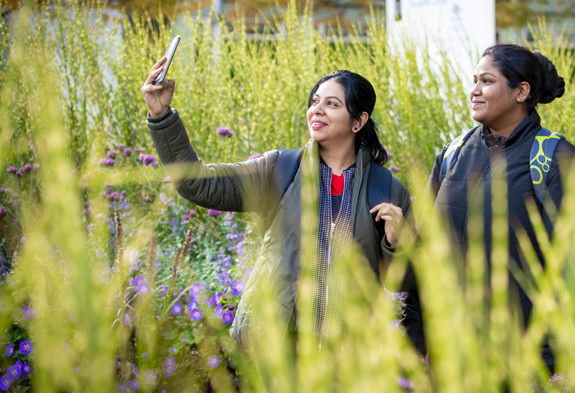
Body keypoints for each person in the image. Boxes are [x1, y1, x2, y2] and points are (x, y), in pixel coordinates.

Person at [141, 59, 423, 350]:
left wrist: (398, 243)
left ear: (359, 121)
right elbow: (197, 183)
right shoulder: (279, 169)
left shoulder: (387, 190)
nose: (317, 109)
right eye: (315, 101)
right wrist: (162, 116)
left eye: (332, 104)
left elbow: (404, 282)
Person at [427, 44, 575, 372]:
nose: (474, 91)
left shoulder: (558, 160)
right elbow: (427, 253)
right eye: (474, 80)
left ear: (521, 91)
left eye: (486, 81)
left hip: (524, 361)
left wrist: (548, 366)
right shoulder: (453, 154)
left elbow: (574, 270)